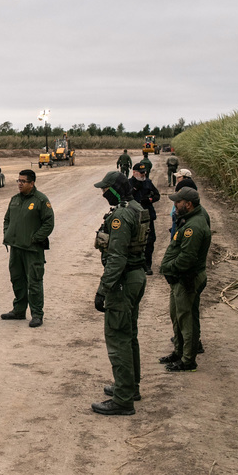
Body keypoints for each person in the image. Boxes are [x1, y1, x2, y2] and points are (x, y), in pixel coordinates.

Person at [90, 171, 149, 416]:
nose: (103, 194)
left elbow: (117, 257)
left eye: (106, 189)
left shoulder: (122, 215)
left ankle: (123, 398)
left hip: (123, 282)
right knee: (129, 333)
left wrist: (103, 289)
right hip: (135, 277)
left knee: (118, 337)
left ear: (114, 190)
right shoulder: (135, 207)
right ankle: (129, 386)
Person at [158, 187, 212, 372]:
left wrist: (170, 268)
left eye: (178, 202)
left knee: (186, 318)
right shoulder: (189, 220)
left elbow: (187, 258)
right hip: (180, 278)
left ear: (188, 204)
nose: (175, 205)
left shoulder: (193, 227)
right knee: (177, 316)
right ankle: (179, 352)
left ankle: (188, 360)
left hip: (187, 277)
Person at [0, 169, 54, 327]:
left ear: (32, 183)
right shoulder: (15, 200)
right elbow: (7, 219)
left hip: (32, 250)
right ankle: (19, 310)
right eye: (18, 180)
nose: (20, 184)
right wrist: (7, 234)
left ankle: (37, 314)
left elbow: (49, 223)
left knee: (34, 282)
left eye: (23, 181)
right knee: (17, 280)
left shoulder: (41, 200)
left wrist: (35, 238)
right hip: (16, 248)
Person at [129, 162, 160, 275]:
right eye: (141, 173)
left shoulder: (148, 182)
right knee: (135, 241)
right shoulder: (129, 183)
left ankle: (147, 265)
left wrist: (150, 200)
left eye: (144, 173)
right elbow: (124, 198)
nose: (143, 175)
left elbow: (157, 195)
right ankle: (135, 265)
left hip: (148, 216)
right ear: (134, 172)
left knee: (150, 240)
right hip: (134, 217)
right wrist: (135, 189)